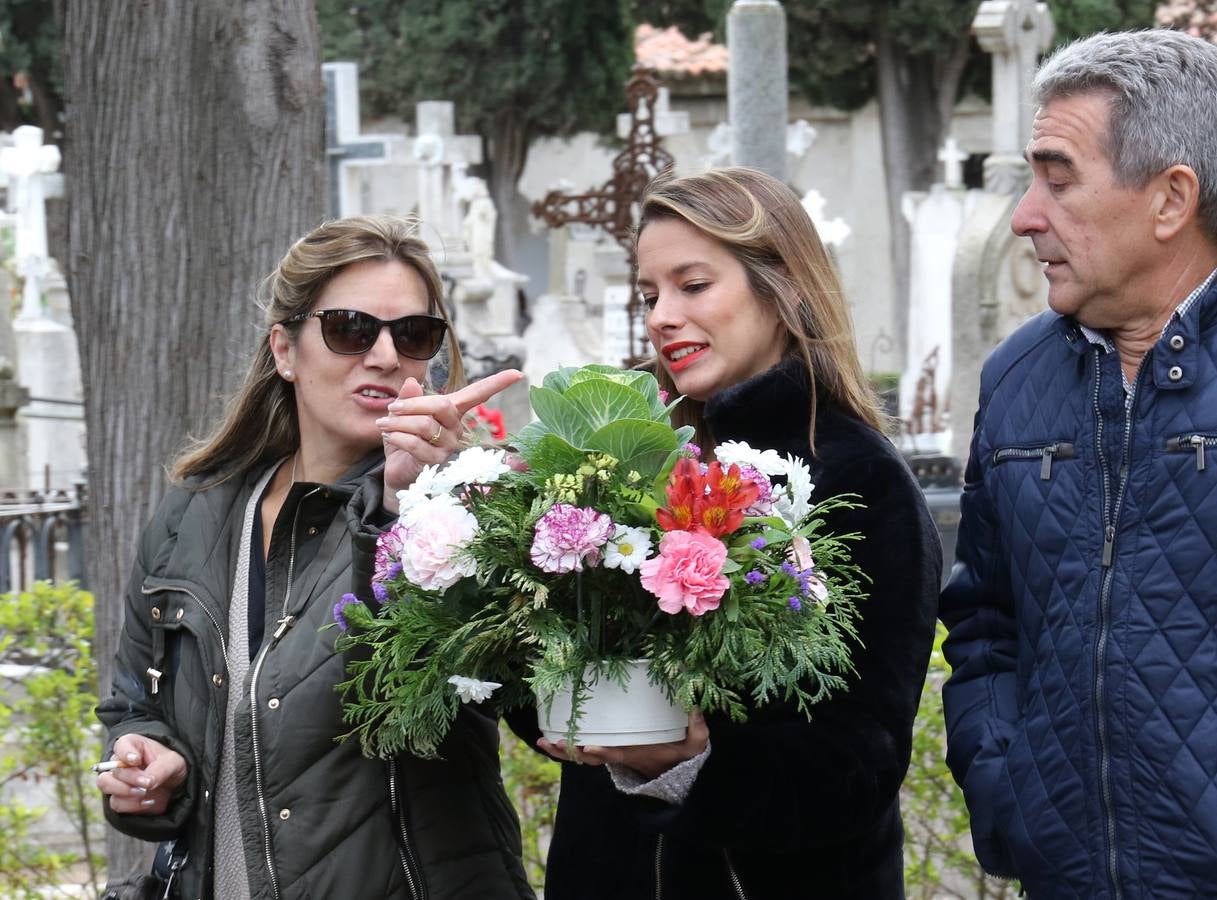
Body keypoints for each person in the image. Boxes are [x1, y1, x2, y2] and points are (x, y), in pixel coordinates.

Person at [514, 166, 941, 899]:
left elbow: (855, 767)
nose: (660, 316)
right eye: (649, 295)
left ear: (784, 286)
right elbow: (557, 697)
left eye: (692, 285)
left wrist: (692, 767)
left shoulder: (857, 478)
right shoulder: (629, 468)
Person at [96, 215, 532, 900]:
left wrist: (414, 508)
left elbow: (489, 695)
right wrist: (145, 766)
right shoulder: (192, 517)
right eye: (351, 329)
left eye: (413, 334)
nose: (386, 357)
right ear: (285, 350)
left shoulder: (468, 510)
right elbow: (133, 703)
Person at [940, 29, 1217, 897]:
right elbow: (986, 624)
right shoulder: (1017, 377)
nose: (1025, 215)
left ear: (1170, 199)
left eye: (1057, 178)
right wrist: (1003, 788)